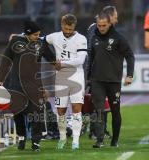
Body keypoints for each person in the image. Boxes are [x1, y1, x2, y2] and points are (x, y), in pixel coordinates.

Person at [0, 20, 56, 151]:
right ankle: (22, 137)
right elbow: (6, 60)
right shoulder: (15, 42)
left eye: (39, 34)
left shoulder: (41, 43)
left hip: (35, 84)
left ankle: (36, 141)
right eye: (35, 35)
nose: (37, 37)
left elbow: (52, 58)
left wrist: (62, 66)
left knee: (37, 113)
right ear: (28, 33)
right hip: (17, 83)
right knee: (18, 112)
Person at [87, 12, 135, 148]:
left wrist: (130, 75)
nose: (101, 28)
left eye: (104, 25)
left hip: (114, 81)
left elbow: (130, 55)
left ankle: (115, 140)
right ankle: (99, 140)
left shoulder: (119, 38)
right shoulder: (93, 37)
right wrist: (87, 77)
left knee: (115, 111)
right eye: (99, 25)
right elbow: (90, 58)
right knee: (99, 110)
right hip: (97, 81)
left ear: (110, 24)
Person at [45, 13, 87, 150]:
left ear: (74, 26)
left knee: (76, 109)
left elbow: (80, 60)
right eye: (65, 29)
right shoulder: (54, 37)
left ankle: (76, 140)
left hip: (77, 77)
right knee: (61, 110)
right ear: (62, 25)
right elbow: (39, 39)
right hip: (61, 78)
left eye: (70, 29)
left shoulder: (81, 39)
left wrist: (60, 62)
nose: (68, 32)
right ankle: (62, 138)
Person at [87, 5, 118, 140]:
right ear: (109, 16)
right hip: (95, 72)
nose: (116, 20)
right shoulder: (95, 28)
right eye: (115, 17)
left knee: (100, 102)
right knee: (97, 102)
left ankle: (99, 130)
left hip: (102, 71)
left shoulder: (106, 28)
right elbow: (91, 50)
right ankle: (95, 131)